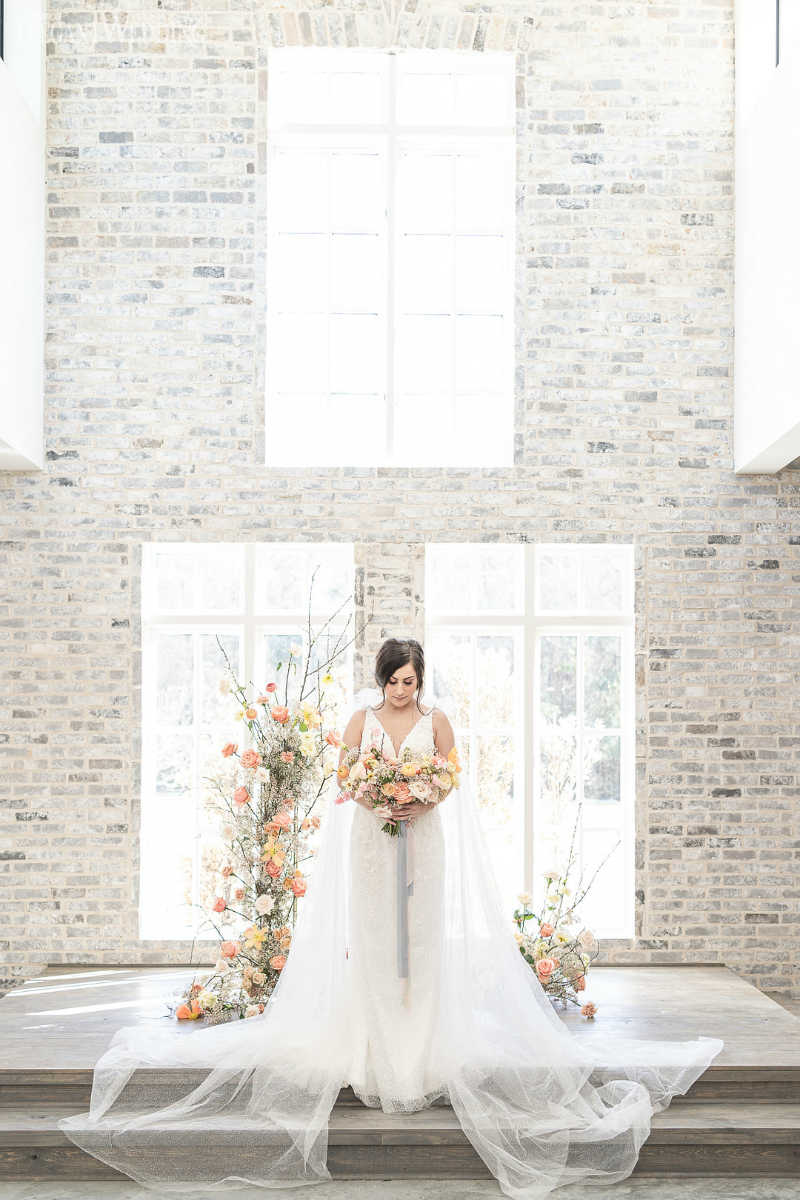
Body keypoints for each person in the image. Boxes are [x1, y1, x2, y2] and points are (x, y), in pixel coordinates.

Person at [59, 636, 724, 1197]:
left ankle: (425, 1054)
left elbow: (451, 778)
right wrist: (383, 798)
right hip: (373, 847)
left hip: (424, 842)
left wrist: (419, 801)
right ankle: (377, 1055)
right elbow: (348, 779)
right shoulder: (361, 721)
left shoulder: (437, 722)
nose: (402, 690)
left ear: (421, 680)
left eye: (411, 680)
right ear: (379, 681)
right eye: (394, 681)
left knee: (425, 944)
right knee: (376, 943)